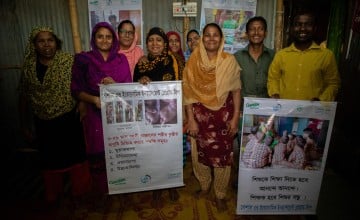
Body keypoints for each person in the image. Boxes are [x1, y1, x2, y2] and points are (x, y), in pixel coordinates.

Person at [19, 26, 91, 205]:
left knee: (76, 157)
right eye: (41, 41)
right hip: (43, 121)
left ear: (56, 42)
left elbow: (80, 85)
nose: (46, 45)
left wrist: (82, 102)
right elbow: (24, 95)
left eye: (50, 40)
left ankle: (80, 193)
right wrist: (24, 124)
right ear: (34, 45)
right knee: (49, 160)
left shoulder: (68, 61)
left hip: (68, 117)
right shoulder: (28, 67)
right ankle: (54, 195)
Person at [182, 23, 241, 212]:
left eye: (216, 35)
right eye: (207, 35)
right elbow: (188, 93)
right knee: (199, 153)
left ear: (221, 38)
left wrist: (234, 119)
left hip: (224, 118)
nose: (211, 38)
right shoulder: (193, 61)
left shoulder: (229, 61)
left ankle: (220, 193)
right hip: (199, 119)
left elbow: (236, 92)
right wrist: (190, 119)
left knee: (223, 156)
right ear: (202, 39)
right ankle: (205, 185)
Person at [71, 22, 132, 205]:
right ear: (94, 39)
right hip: (94, 112)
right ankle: (102, 191)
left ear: (114, 39)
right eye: (100, 36)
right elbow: (76, 89)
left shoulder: (121, 60)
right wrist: (94, 100)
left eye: (108, 36)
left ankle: (121, 188)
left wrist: (113, 85)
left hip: (118, 113)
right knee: (98, 152)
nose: (104, 40)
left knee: (119, 151)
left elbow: (129, 89)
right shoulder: (84, 60)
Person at [133, 27, 184, 208]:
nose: (155, 43)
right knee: (153, 151)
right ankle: (156, 185)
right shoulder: (141, 64)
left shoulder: (173, 60)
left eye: (159, 40)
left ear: (164, 44)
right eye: (151, 40)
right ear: (147, 43)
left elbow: (179, 86)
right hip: (149, 116)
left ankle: (172, 183)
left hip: (170, 113)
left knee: (170, 150)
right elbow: (133, 90)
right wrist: (141, 82)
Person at [267, 9, 341, 101]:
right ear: (292, 28)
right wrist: (275, 94)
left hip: (313, 113)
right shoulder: (281, 55)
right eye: (298, 25)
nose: (302, 28)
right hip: (284, 112)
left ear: (314, 28)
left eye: (308, 24)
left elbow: (333, 83)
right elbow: (273, 79)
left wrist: (321, 101)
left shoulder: (327, 56)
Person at [234, 16, 275, 99]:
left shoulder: (274, 56)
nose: (256, 33)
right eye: (252, 29)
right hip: (243, 108)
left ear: (266, 33)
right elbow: (233, 86)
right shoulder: (237, 57)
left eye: (260, 29)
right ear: (247, 33)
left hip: (266, 108)